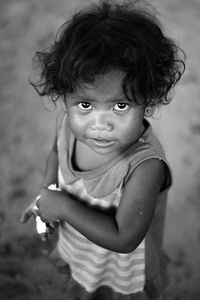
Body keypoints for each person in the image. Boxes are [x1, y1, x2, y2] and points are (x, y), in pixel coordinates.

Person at [21, 0, 185, 299]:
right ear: (66, 95)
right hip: (83, 254)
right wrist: (48, 192)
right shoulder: (69, 124)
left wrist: (62, 206)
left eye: (120, 105)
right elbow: (57, 154)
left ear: (147, 100)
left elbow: (125, 238)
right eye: (85, 104)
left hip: (123, 276)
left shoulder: (145, 166)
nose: (100, 124)